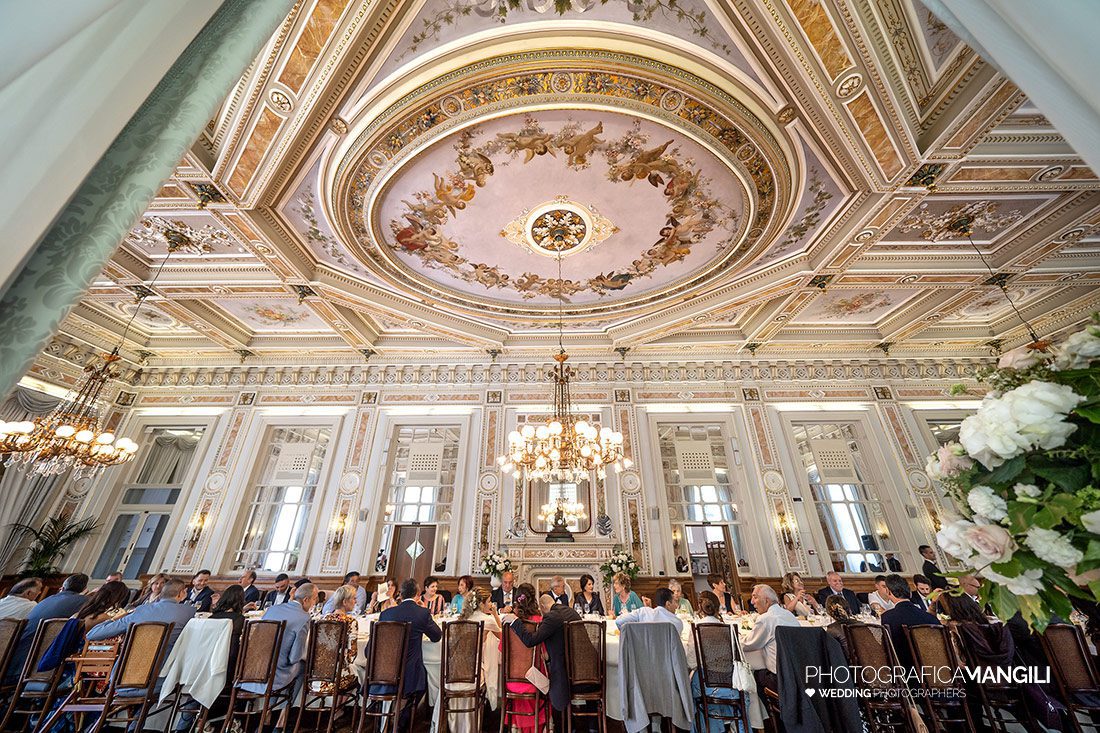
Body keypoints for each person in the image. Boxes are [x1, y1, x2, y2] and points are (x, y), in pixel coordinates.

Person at [510, 592, 583, 733]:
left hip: (563, 675)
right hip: (580, 669)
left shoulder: (551, 617)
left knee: (545, 678)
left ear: (543, 607)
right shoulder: (570, 611)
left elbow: (530, 641)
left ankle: (559, 725)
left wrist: (515, 621)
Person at [376, 578, 442, 724]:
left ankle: (387, 713)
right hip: (410, 672)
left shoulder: (386, 614)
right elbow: (437, 636)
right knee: (425, 679)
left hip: (384, 670)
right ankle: (402, 719)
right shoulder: (422, 613)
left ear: (401, 594)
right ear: (418, 594)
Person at [240, 583, 316, 707]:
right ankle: (281, 714)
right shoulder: (304, 617)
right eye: (314, 599)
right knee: (303, 665)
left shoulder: (272, 609)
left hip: (251, 669)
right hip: (274, 674)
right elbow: (294, 658)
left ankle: (268, 711)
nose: (314, 603)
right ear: (306, 600)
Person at [6, 574, 88, 681]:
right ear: (84, 589)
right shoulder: (84, 601)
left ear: (62, 587)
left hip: (12, 663)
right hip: (41, 666)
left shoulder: (45, 601)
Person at [87, 577, 196, 653]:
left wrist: (115, 619)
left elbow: (92, 634)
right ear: (182, 592)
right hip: (161, 675)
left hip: (123, 674)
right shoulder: (189, 612)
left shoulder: (140, 611)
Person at [501, 587, 550, 733]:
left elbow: (502, 650)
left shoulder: (508, 622)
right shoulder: (539, 621)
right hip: (534, 681)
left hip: (512, 682)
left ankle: (517, 727)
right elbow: (546, 653)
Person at [741, 584, 800, 694]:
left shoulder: (765, 619)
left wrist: (736, 637)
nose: (752, 602)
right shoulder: (789, 615)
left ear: (767, 601)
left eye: (755, 597)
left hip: (779, 679)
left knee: (752, 677)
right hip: (797, 675)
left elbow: (747, 645)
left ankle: (765, 711)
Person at [880, 574, 940, 671]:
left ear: (888, 592)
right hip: (936, 669)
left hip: (906, 672)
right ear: (910, 593)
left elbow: (887, 649)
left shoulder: (888, 617)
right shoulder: (930, 618)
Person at [316, 584, 359, 694]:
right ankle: (338, 708)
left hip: (316, 676)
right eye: (354, 598)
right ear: (345, 602)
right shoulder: (350, 622)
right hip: (336, 678)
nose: (356, 602)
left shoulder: (322, 619)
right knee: (359, 673)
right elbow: (351, 656)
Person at [615, 588, 683, 635]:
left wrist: (635, 635)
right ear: (668, 604)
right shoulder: (677, 623)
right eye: (675, 602)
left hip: (642, 654)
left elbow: (619, 621)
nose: (677, 605)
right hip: (666, 655)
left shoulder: (643, 612)